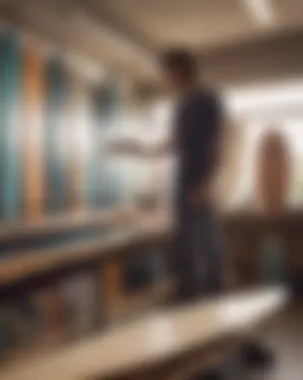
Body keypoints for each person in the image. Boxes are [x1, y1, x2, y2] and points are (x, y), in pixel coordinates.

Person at [108, 48, 272, 379]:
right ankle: (198, 351)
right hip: (183, 192)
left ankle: (223, 348)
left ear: (182, 70)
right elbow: (174, 145)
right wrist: (135, 148)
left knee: (208, 267)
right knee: (187, 268)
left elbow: (217, 140)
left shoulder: (207, 98)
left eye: (169, 72)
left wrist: (208, 182)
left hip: (199, 190)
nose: (167, 79)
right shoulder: (181, 107)